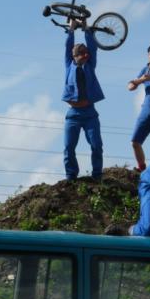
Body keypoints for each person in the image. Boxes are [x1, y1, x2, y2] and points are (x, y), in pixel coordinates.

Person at [61, 19, 104, 180]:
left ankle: (97, 176)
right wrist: (71, 29)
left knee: (96, 146)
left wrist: (86, 28)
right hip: (73, 114)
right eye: (82, 54)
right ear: (75, 56)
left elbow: (92, 47)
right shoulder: (69, 65)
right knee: (68, 147)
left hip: (90, 113)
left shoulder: (90, 65)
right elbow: (67, 46)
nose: (86, 56)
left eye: (87, 54)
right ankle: (71, 176)